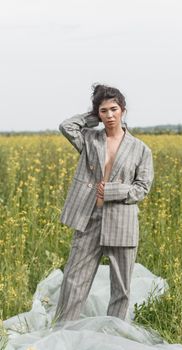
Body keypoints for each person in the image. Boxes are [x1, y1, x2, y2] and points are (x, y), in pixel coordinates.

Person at [55, 84, 154, 322]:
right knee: (73, 280)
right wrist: (92, 117)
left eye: (114, 109)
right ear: (97, 114)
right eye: (103, 111)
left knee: (121, 288)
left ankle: (115, 335)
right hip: (89, 218)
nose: (109, 116)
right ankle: (62, 332)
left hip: (122, 221)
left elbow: (143, 188)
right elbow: (66, 127)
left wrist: (112, 191)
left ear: (123, 110)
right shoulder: (90, 140)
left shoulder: (141, 149)